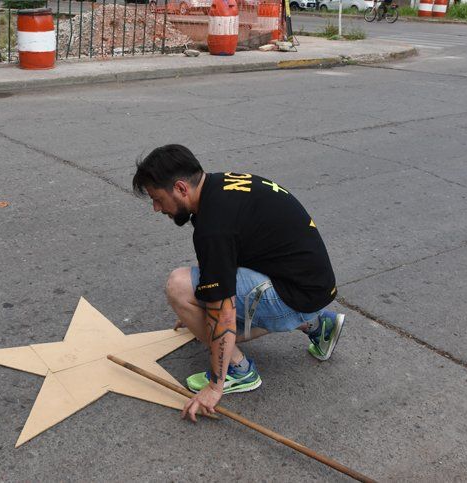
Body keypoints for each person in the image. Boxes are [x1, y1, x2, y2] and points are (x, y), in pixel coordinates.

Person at [132, 145, 345, 422]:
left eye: (158, 198)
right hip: (309, 285)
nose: (156, 208)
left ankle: (238, 371)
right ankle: (318, 324)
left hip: (295, 293)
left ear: (181, 188)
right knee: (207, 301)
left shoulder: (213, 225)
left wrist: (214, 386)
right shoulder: (220, 186)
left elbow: (223, 312)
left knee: (180, 286)